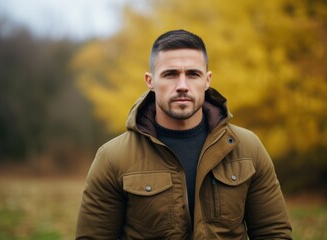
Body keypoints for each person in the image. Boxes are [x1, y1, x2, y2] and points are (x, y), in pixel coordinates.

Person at [76, 29, 292, 240]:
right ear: (150, 81)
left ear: (207, 80)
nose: (182, 86)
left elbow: (273, 233)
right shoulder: (113, 157)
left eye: (192, 74)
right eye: (170, 74)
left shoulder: (246, 148)